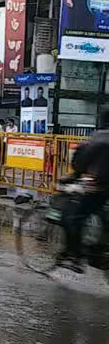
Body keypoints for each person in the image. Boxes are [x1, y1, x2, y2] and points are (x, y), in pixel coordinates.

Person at [60, 111, 109, 272]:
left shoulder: (99, 137)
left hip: (99, 187)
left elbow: (81, 161)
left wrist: (72, 177)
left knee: (75, 218)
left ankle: (76, 257)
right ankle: (99, 248)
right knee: (102, 216)